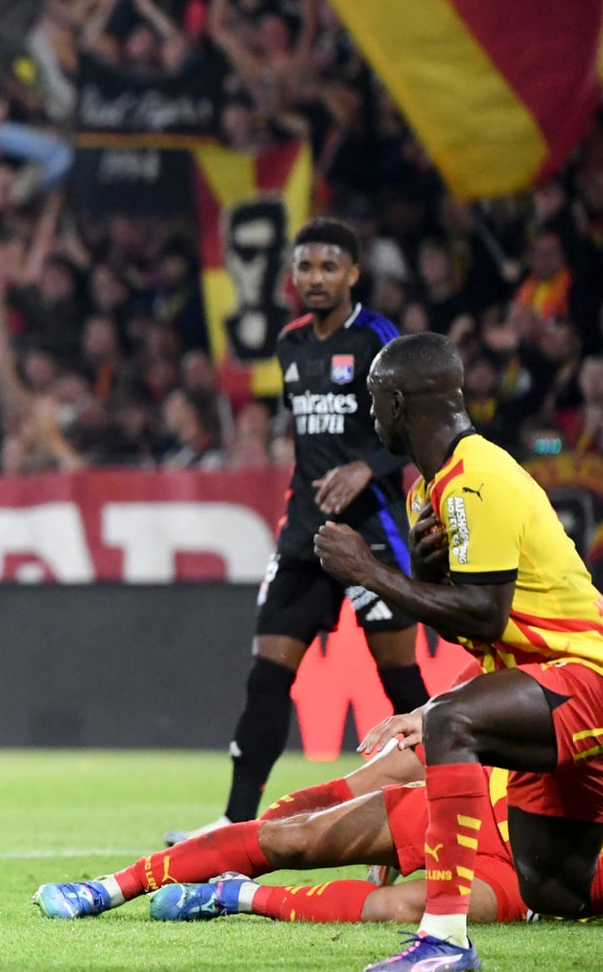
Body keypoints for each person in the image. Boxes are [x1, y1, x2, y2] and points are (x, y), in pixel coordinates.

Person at [316, 331, 603, 970]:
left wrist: (369, 571)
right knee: (549, 884)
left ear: (396, 402)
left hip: (588, 673)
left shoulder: (477, 478)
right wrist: (427, 580)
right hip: (546, 676)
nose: (369, 415)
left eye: (372, 400)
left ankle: (443, 941)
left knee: (450, 718)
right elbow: (476, 630)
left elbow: (485, 611)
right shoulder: (433, 491)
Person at [171, 218, 429, 845]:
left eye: (328, 267)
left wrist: (367, 466)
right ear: (293, 276)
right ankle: (234, 822)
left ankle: (435, 805)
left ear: (352, 274)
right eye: (306, 268)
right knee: (266, 675)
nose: (316, 278)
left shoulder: (378, 337)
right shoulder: (288, 345)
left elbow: (421, 425)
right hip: (304, 535)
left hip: (370, 530)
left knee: (399, 681)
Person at [34, 749, 528, 927]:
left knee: (403, 908)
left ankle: (237, 896)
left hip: (519, 870)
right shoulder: (567, 670)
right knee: (298, 838)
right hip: (484, 794)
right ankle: (109, 888)